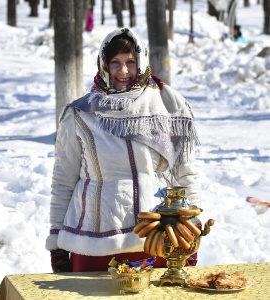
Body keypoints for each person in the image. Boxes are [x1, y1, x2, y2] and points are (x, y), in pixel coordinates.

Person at [46, 28, 201, 273]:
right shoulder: (80, 114)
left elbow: (185, 174)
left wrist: (193, 227)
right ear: (103, 64)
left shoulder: (169, 108)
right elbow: (64, 179)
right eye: (115, 63)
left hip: (157, 238)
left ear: (142, 62)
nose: (123, 71)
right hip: (93, 241)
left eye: (131, 62)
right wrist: (56, 240)